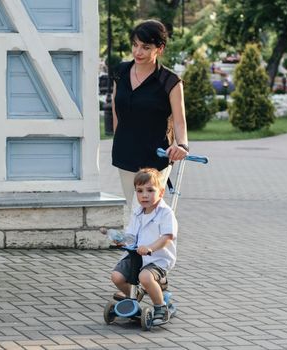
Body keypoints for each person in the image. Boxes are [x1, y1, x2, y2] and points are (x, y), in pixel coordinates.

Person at [111, 19, 189, 207]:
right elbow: (116, 109)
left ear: (159, 49)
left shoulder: (170, 81)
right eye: (135, 45)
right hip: (126, 154)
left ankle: (162, 237)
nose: (138, 52)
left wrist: (183, 146)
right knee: (134, 209)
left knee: (150, 210)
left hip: (156, 157)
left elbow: (179, 121)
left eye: (145, 47)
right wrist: (118, 138)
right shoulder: (120, 72)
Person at [107, 168, 178, 322]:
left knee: (145, 276)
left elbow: (167, 237)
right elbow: (131, 236)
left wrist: (150, 248)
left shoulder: (166, 213)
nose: (144, 195)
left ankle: (161, 307)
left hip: (157, 259)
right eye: (139, 191)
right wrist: (121, 240)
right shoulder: (138, 212)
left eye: (150, 190)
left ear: (161, 191)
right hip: (135, 256)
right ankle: (134, 294)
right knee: (117, 276)